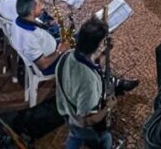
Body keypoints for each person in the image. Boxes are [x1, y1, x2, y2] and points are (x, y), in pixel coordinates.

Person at [56, 18, 140, 149]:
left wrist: (103, 54)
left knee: (74, 135)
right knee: (104, 140)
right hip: (85, 126)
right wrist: (109, 107)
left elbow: (89, 62)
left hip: (67, 111)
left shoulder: (67, 55)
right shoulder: (89, 83)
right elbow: (86, 121)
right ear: (95, 46)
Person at [10, 0, 71, 75]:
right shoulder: (29, 37)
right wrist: (60, 51)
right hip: (51, 63)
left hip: (51, 48)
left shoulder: (19, 20)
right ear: (31, 12)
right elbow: (43, 65)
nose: (43, 6)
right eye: (39, 5)